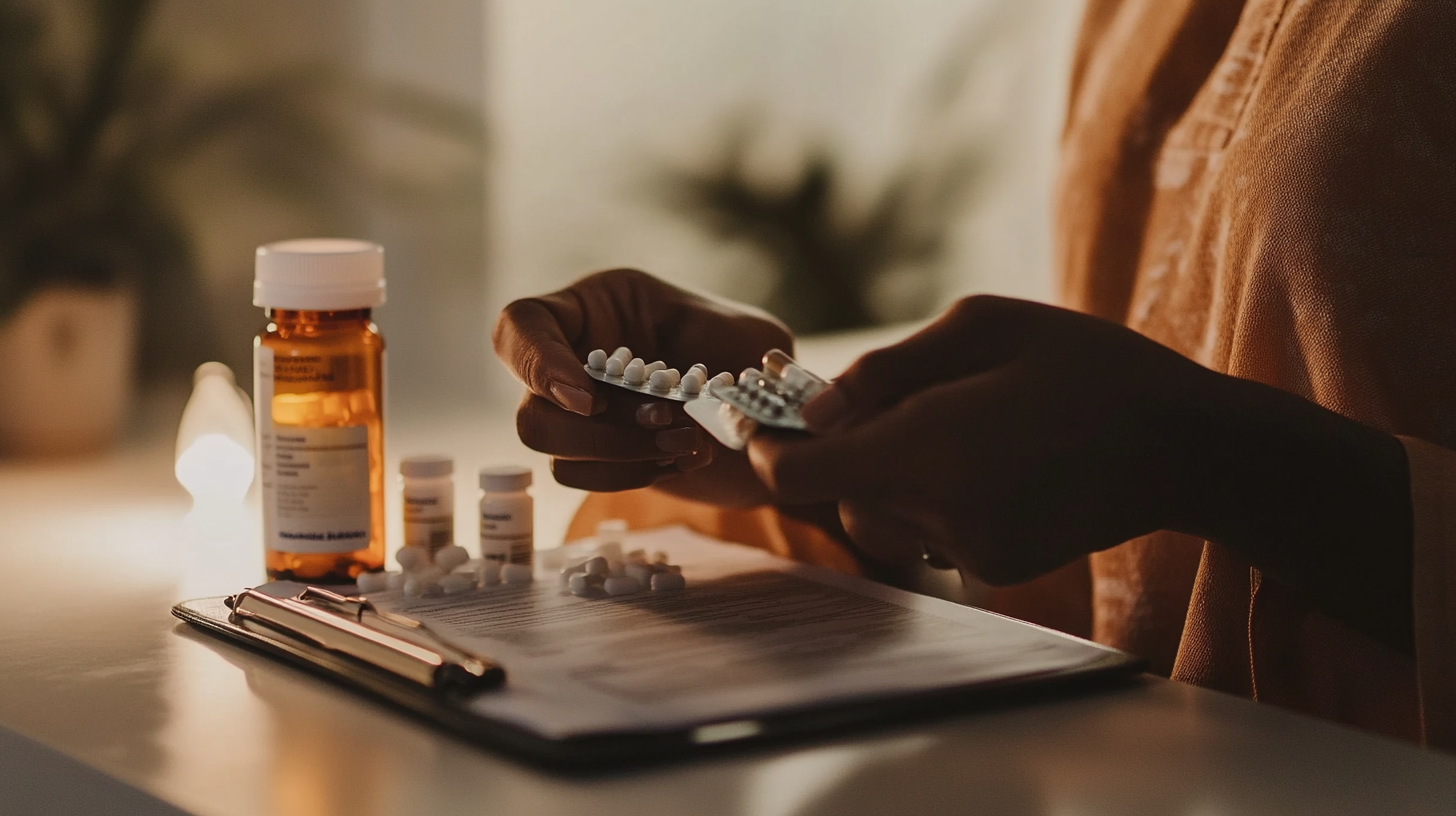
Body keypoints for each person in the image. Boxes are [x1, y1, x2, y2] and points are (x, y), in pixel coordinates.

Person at [492, 0, 1456, 748]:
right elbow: (1122, 544)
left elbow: (1184, 438)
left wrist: (1209, 461)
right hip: (1142, 770)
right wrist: (837, 459)